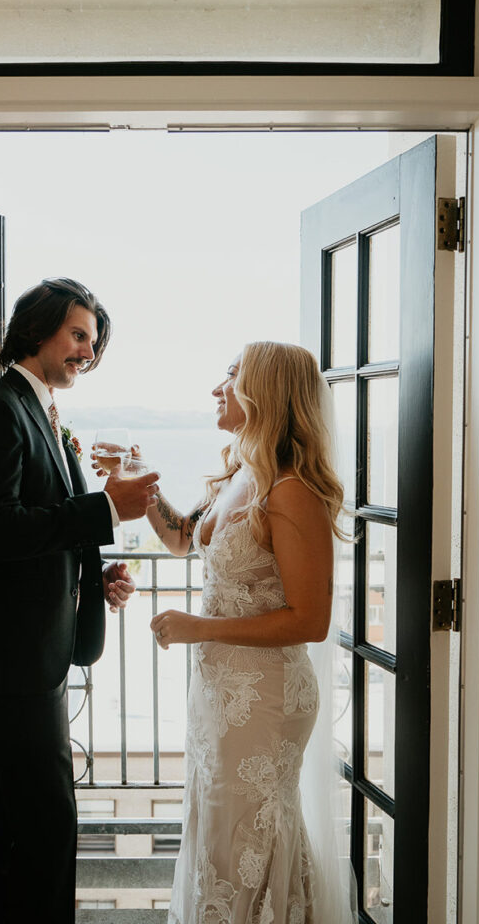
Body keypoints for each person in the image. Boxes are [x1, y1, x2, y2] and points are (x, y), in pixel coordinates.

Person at [0, 277, 160, 924]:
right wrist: (103, 507)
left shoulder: (40, 410)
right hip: (15, 657)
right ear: (37, 329)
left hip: (37, 649)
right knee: (46, 819)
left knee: (18, 817)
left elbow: (36, 536)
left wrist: (89, 582)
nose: (86, 354)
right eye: (77, 336)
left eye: (93, 343)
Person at [147, 341, 354, 924]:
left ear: (263, 391)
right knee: (218, 832)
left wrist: (198, 627)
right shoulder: (242, 472)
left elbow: (310, 621)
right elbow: (184, 539)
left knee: (245, 839)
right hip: (223, 692)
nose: (218, 387)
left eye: (231, 374)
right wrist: (143, 487)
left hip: (263, 699)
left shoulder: (291, 491)